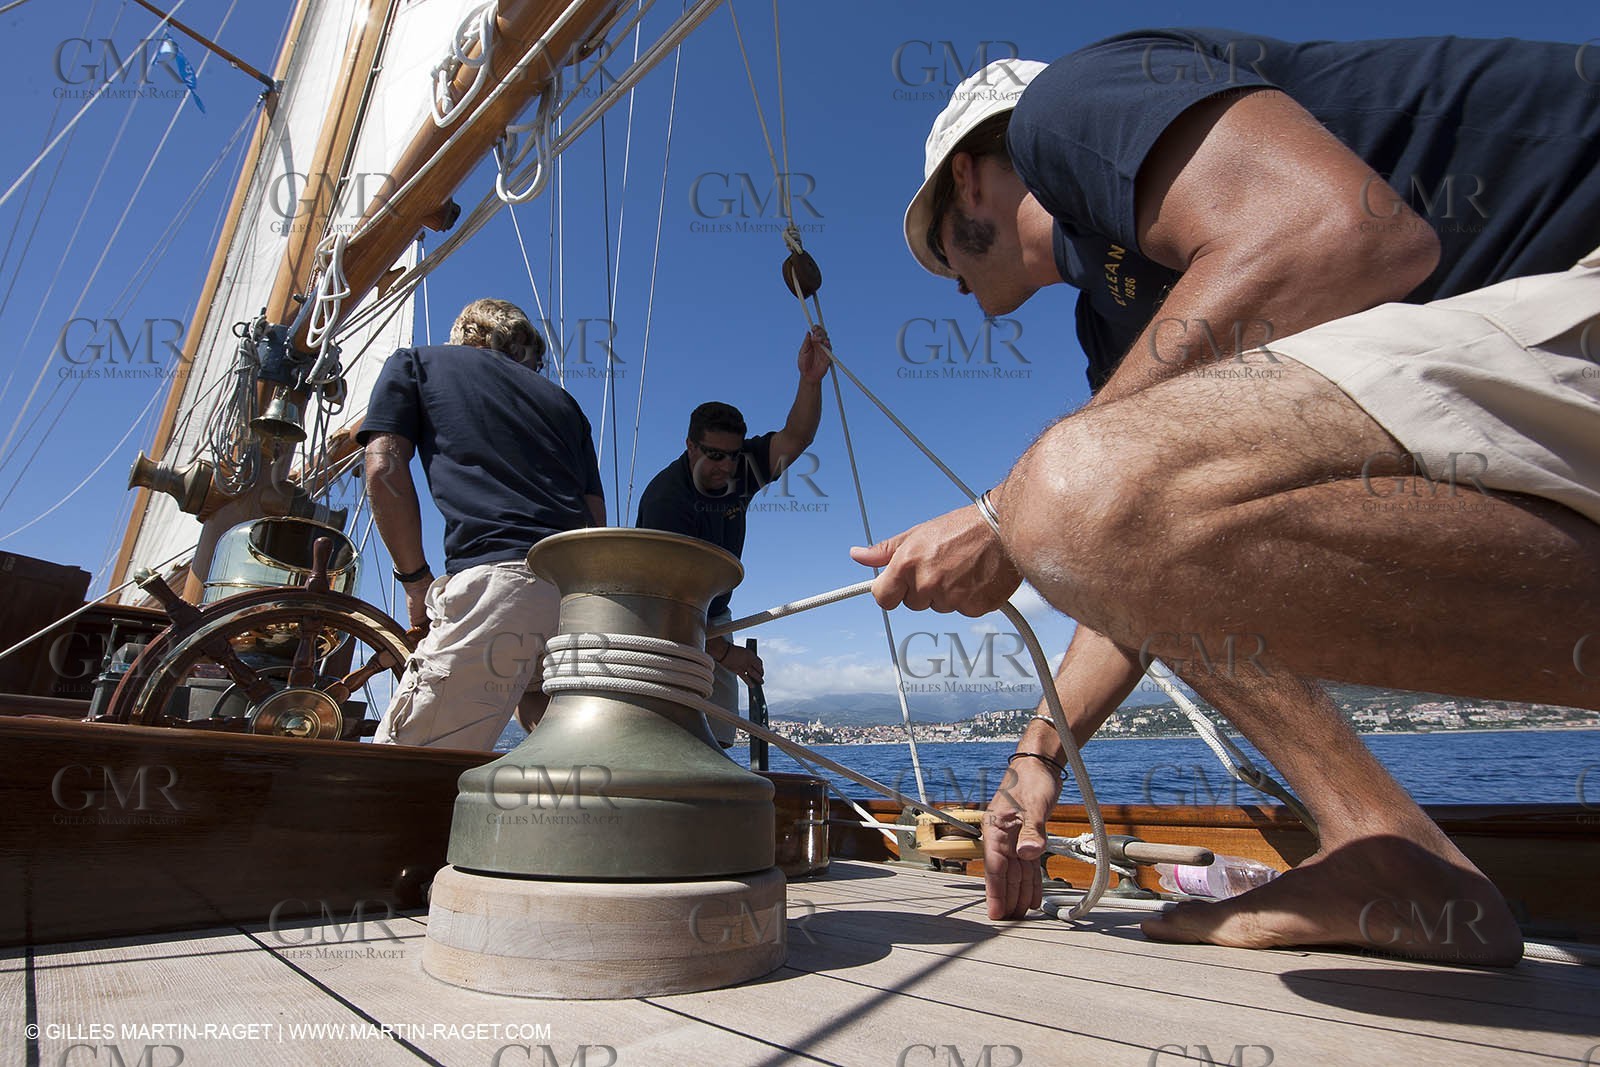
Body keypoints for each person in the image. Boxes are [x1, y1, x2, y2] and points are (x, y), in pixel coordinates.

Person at [851, 33, 1600, 964]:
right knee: (1100, 499)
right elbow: (1126, 562)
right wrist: (1035, 759)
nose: (951, 283)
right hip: (1543, 390)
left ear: (969, 181)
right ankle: (1387, 851)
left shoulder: (1066, 108)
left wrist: (1008, 511)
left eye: (937, 249)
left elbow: (1344, 232)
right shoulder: (1110, 318)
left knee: (1079, 483)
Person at [359, 298, 605, 750]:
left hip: (502, 585)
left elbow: (383, 467)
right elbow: (595, 516)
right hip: (581, 601)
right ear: (525, 349)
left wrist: (416, 582)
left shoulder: (416, 363)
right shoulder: (568, 406)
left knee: (403, 773)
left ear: (465, 334)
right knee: (558, 755)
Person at [637, 325, 831, 744]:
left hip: (715, 613)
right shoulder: (666, 504)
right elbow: (670, 608)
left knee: (720, 736)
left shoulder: (741, 467)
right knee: (674, 732)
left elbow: (797, 436)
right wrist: (727, 654)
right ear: (691, 446)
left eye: (733, 454)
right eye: (714, 455)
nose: (726, 466)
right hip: (667, 617)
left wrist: (810, 380)